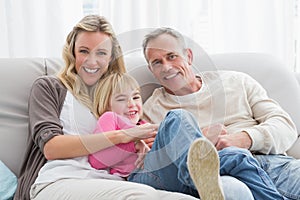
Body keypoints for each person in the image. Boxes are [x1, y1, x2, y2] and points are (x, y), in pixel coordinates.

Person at [14, 15, 199, 200]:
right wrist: (125, 135)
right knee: (142, 195)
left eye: (101, 53)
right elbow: (52, 148)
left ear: (111, 57)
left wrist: (140, 142)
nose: (92, 61)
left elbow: (143, 135)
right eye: (84, 51)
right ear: (73, 53)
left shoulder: (118, 95)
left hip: (114, 183)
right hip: (61, 180)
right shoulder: (50, 87)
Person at [141, 27, 300, 200]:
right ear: (151, 70)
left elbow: (285, 126)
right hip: (222, 174)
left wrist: (244, 138)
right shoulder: (151, 111)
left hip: (274, 164)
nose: (167, 67)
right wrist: (203, 138)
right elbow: (160, 163)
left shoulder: (236, 81)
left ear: (188, 56)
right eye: (157, 62)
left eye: (172, 56)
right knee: (231, 191)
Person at [88, 72, 283, 200]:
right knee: (177, 116)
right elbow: (98, 160)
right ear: (106, 104)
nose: (132, 104)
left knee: (237, 156)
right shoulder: (110, 118)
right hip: (141, 176)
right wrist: (133, 141)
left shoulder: (144, 124)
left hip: (173, 174)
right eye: (122, 99)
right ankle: (194, 172)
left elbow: (175, 148)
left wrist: (205, 137)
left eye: (136, 97)